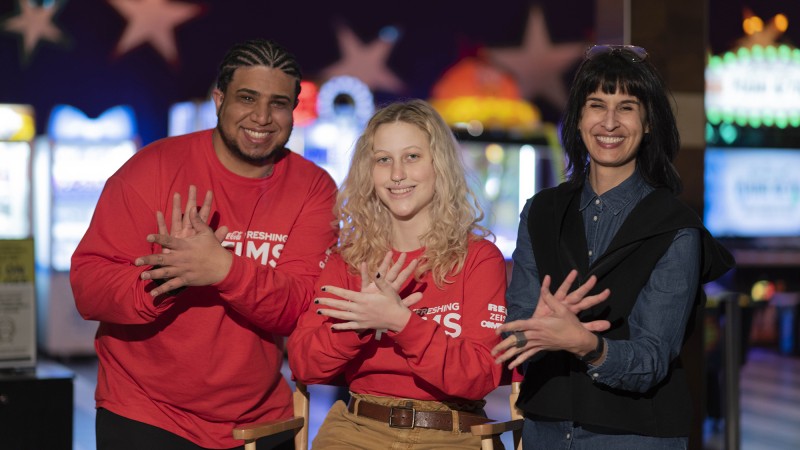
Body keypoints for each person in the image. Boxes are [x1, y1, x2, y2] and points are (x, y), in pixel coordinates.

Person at [70, 39, 338, 450]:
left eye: (278, 103)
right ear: (219, 99)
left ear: (294, 110)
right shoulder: (152, 169)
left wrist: (223, 270)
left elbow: (300, 309)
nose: (262, 117)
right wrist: (169, 277)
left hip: (259, 421)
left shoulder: (312, 188)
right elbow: (89, 290)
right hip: (146, 413)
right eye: (247, 98)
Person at [492, 44, 735, 449]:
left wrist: (587, 344)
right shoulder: (541, 212)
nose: (609, 122)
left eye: (626, 107)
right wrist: (530, 331)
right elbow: (514, 337)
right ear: (578, 117)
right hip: (546, 432)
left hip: (634, 436)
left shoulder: (675, 227)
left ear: (649, 121)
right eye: (596, 105)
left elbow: (653, 360)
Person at [287, 99, 507, 449]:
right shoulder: (347, 260)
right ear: (368, 172)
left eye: (412, 156)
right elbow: (304, 364)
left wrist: (402, 324)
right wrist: (360, 323)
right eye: (383, 159)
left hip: (452, 433)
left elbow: (480, 376)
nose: (397, 174)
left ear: (440, 165)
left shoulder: (478, 258)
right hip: (358, 429)